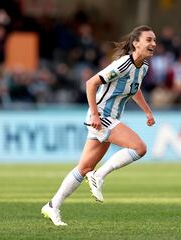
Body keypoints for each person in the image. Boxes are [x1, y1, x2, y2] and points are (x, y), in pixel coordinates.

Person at [41, 25, 156, 226]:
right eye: (149, 40)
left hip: (108, 118)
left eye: (155, 40)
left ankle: (52, 206)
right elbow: (90, 83)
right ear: (136, 43)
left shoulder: (143, 67)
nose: (153, 43)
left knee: (84, 167)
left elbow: (134, 89)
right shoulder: (122, 64)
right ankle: (99, 176)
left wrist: (147, 111)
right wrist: (94, 113)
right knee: (139, 148)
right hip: (102, 116)